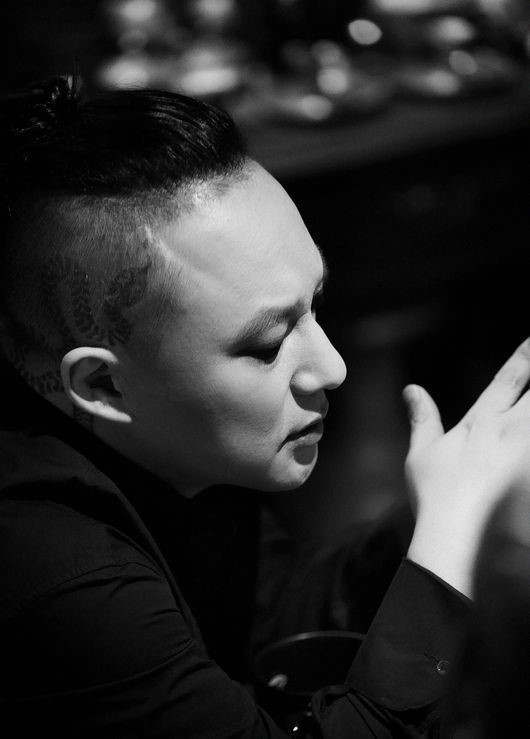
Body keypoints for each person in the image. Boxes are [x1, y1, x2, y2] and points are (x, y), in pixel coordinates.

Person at [0, 75, 529, 738]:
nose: (332, 367)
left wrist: (445, 506)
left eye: (316, 304)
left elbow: (278, 613)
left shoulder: (177, 436)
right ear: (103, 386)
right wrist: (455, 542)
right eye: (268, 343)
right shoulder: (58, 574)